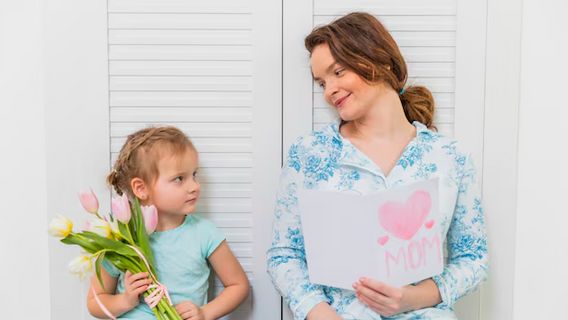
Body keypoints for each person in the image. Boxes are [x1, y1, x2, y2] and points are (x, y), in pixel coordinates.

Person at [267, 12, 488, 320]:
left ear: (380, 61)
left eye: (338, 72)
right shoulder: (309, 154)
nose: (329, 90)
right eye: (321, 82)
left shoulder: (450, 157)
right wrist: (321, 314)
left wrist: (415, 297)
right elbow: (284, 255)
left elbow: (473, 259)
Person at [87, 126, 250, 320]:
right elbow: (94, 303)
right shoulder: (120, 239)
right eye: (179, 178)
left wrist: (204, 313)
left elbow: (238, 285)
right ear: (141, 188)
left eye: (194, 175)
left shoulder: (203, 233)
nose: (195, 186)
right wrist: (125, 300)